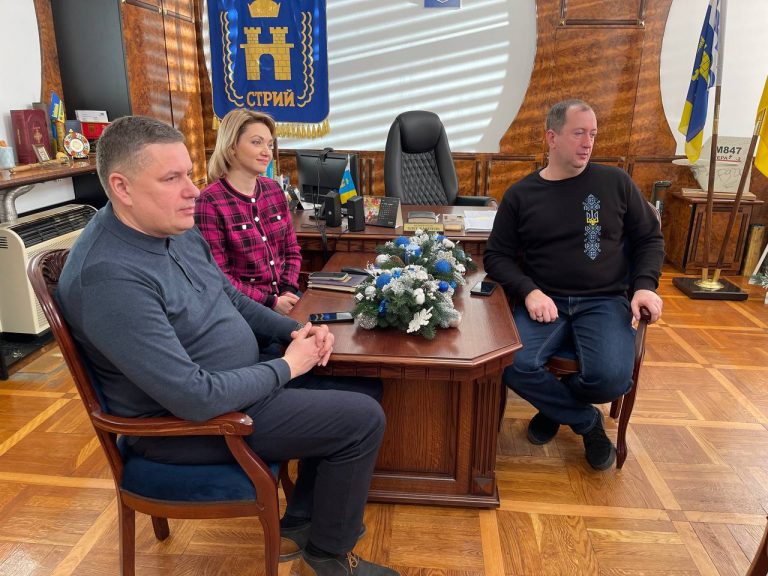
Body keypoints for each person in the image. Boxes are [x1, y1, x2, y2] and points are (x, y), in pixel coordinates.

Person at [56, 116, 399, 576]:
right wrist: (289, 367)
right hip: (196, 426)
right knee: (361, 420)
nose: (192, 191)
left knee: (363, 386)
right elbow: (193, 397)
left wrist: (292, 332)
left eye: (189, 174)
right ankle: (331, 556)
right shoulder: (109, 278)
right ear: (122, 187)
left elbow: (230, 297)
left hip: (238, 384)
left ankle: (303, 522)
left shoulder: (169, 227)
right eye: (171, 178)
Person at [484, 99, 664, 471]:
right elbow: (496, 256)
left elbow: (649, 238)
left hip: (604, 299)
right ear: (552, 137)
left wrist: (645, 285)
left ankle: (556, 406)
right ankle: (585, 421)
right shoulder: (521, 194)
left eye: (593, 134)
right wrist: (529, 291)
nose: (588, 143)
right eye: (578, 133)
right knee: (511, 363)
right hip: (545, 300)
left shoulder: (615, 183)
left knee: (612, 379)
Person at [196, 109, 301, 315]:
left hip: (286, 296)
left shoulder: (274, 190)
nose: (267, 152)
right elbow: (220, 276)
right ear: (232, 147)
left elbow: (291, 250)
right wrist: (272, 302)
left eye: (269, 144)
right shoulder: (209, 202)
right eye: (256, 142)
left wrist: (287, 291)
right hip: (244, 309)